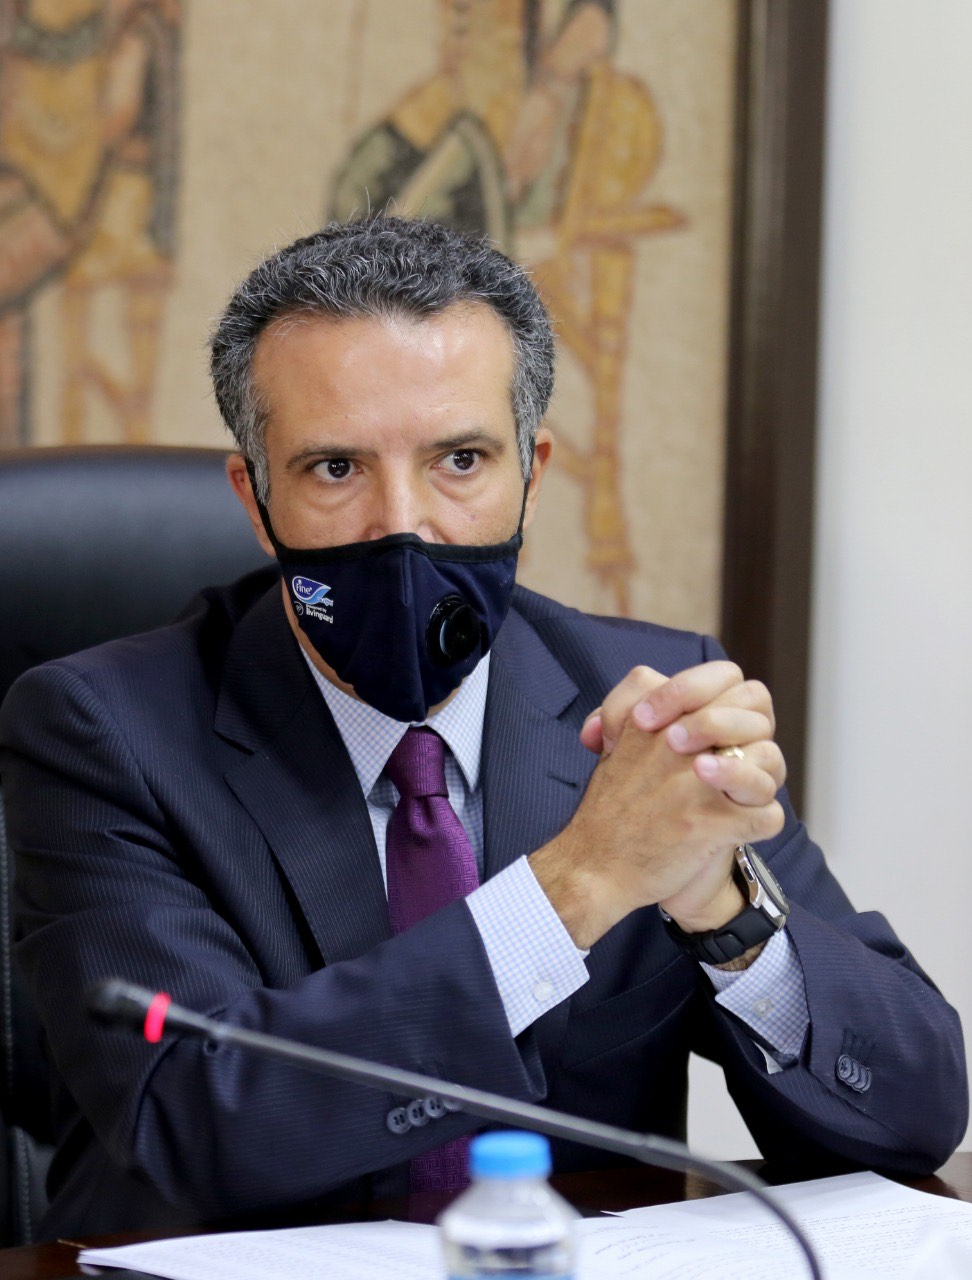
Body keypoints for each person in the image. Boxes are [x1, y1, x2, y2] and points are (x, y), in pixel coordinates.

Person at [0, 217, 965, 1240]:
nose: (402, 524)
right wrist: (575, 889)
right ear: (256, 495)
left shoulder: (644, 707)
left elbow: (914, 1112)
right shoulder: (103, 729)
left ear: (532, 475)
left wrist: (720, 909)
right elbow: (190, 1119)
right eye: (336, 468)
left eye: (460, 459)